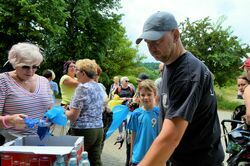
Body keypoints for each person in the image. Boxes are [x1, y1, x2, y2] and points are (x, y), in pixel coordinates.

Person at [136, 11, 224, 165]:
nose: (152, 48)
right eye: (148, 42)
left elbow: (170, 138)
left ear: (175, 35)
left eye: (156, 41)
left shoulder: (187, 73)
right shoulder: (171, 67)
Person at [0, 42, 53, 142]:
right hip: (13, 143)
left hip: (43, 140)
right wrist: (9, 120)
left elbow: (49, 110)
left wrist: (56, 114)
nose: (30, 71)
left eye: (35, 67)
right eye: (25, 66)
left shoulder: (43, 81)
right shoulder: (3, 81)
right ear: (15, 63)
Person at [65, 59, 105, 166]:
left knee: (77, 160)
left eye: (77, 70)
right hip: (99, 129)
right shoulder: (99, 86)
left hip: (84, 130)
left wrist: (63, 111)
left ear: (83, 73)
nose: (75, 73)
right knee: (95, 161)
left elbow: (73, 116)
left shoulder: (82, 88)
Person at [127, 79, 160, 166]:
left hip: (155, 158)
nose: (145, 97)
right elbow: (133, 136)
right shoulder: (136, 114)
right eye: (142, 95)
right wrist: (131, 156)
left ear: (155, 94)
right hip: (138, 158)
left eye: (149, 94)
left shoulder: (160, 114)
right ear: (138, 96)